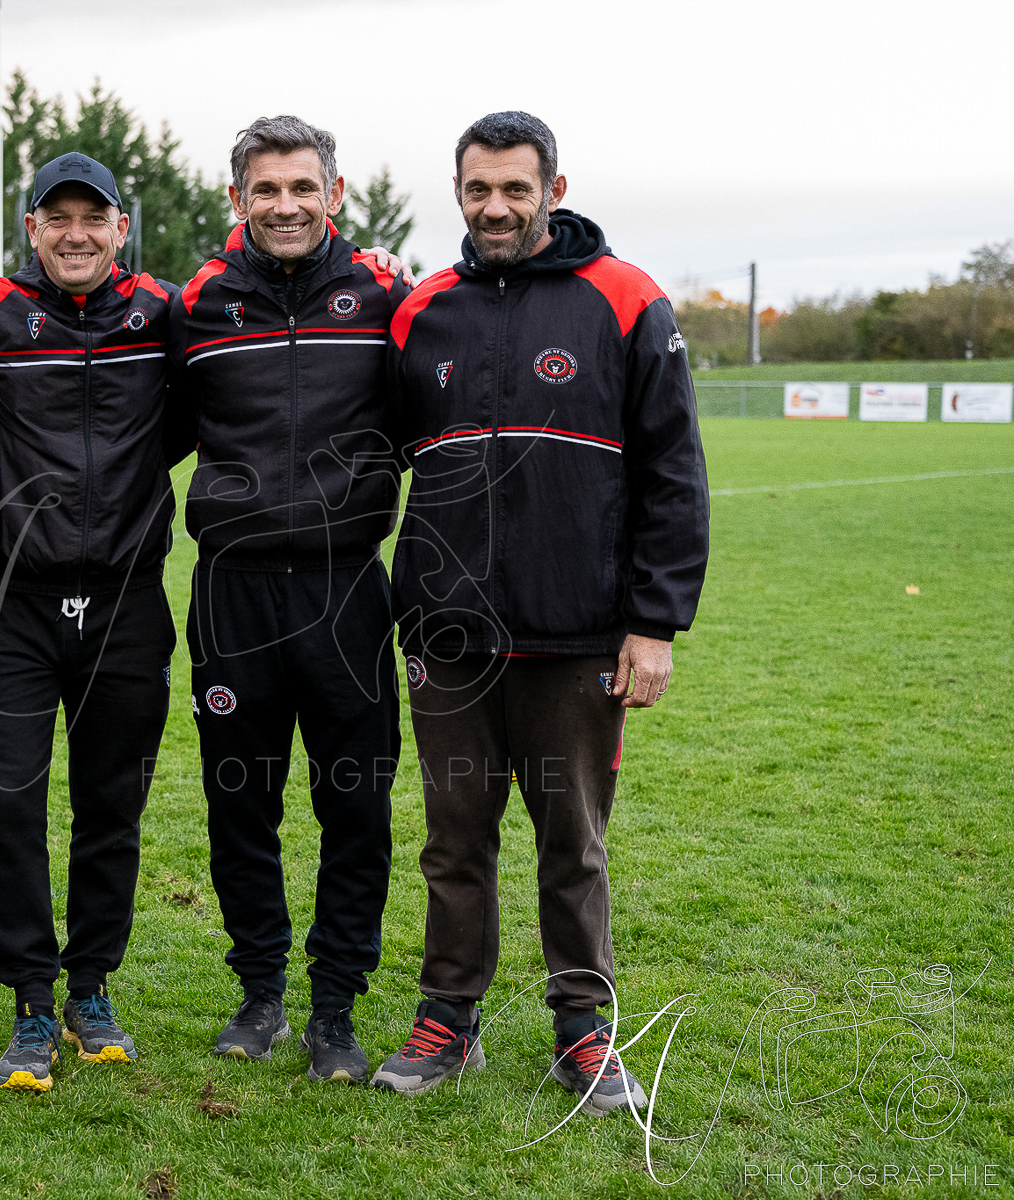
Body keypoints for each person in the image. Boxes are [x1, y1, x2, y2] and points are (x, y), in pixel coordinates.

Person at [369, 111, 709, 1115]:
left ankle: (584, 1030)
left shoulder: (626, 298)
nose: (496, 207)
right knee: (453, 841)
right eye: (478, 190)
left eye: (516, 189)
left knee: (574, 844)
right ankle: (448, 1019)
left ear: (555, 189)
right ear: (459, 193)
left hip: (577, 639)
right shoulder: (420, 308)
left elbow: (675, 477)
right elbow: (369, 444)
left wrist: (654, 622)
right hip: (448, 638)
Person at [165, 115, 413, 1084]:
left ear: (335, 194)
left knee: (356, 807)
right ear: (237, 200)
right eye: (265, 190)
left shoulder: (388, 296)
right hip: (232, 594)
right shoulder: (196, 303)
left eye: (302, 188)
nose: (285, 205)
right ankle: (260, 991)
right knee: (242, 805)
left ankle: (336, 1009)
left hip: (348, 588)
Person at [0, 152, 181, 1091]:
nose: (76, 233)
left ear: (122, 227)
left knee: (111, 805)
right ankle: (31, 1001)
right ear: (31, 228)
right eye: (57, 217)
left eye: (95, 216)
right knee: (7, 806)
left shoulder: (161, 315)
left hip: (124, 602)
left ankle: (91, 986)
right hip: (8, 606)